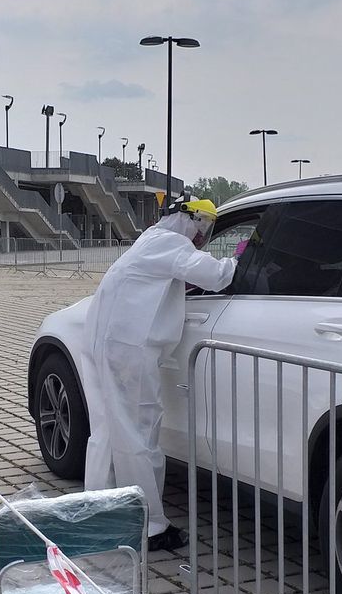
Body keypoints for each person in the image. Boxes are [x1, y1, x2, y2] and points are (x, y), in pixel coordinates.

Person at [83, 199, 237, 551]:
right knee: (139, 433)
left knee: (109, 429)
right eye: (202, 228)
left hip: (107, 342)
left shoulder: (151, 240)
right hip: (129, 349)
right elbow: (216, 276)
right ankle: (149, 525)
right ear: (189, 220)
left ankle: (98, 508)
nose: (202, 237)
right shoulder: (171, 244)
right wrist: (242, 256)